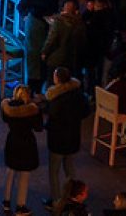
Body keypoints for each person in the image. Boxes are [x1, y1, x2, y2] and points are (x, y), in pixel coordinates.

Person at [43, 68, 88, 209]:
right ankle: (72, 196)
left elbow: (52, 119)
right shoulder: (78, 94)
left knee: (54, 171)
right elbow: (86, 111)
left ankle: (56, 201)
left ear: (57, 79)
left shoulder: (55, 98)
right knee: (69, 167)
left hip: (58, 139)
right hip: (73, 136)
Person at [1, 85, 43, 216]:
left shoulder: (8, 107)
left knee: (10, 171)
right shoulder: (33, 110)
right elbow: (38, 127)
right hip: (27, 142)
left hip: (12, 140)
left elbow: (4, 118)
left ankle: (6, 201)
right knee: (24, 175)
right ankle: (20, 206)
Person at [42, 0, 84, 79]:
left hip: (56, 58)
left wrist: (44, 51)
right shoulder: (79, 23)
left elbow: (52, 39)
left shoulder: (58, 22)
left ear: (64, 8)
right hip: (71, 59)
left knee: (53, 82)